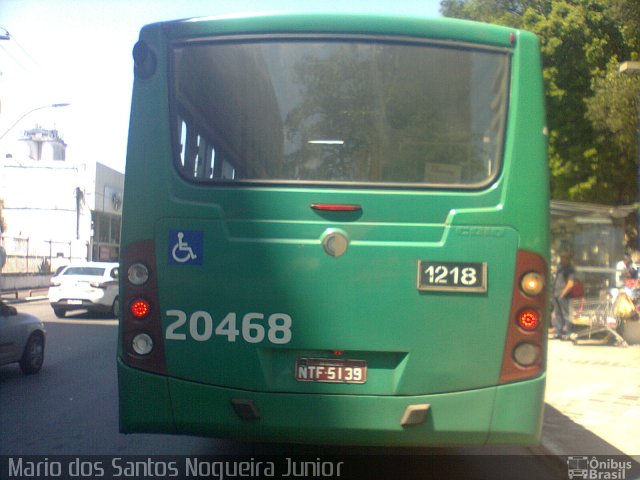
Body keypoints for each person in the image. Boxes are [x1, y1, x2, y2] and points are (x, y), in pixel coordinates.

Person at [552, 251, 576, 340]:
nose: (562, 259)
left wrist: (563, 294)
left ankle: (568, 332)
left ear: (568, 259)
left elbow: (570, 284)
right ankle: (558, 331)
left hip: (564, 295)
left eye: (564, 257)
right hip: (556, 294)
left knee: (566, 314)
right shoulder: (559, 268)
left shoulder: (570, 270)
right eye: (561, 257)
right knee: (558, 314)